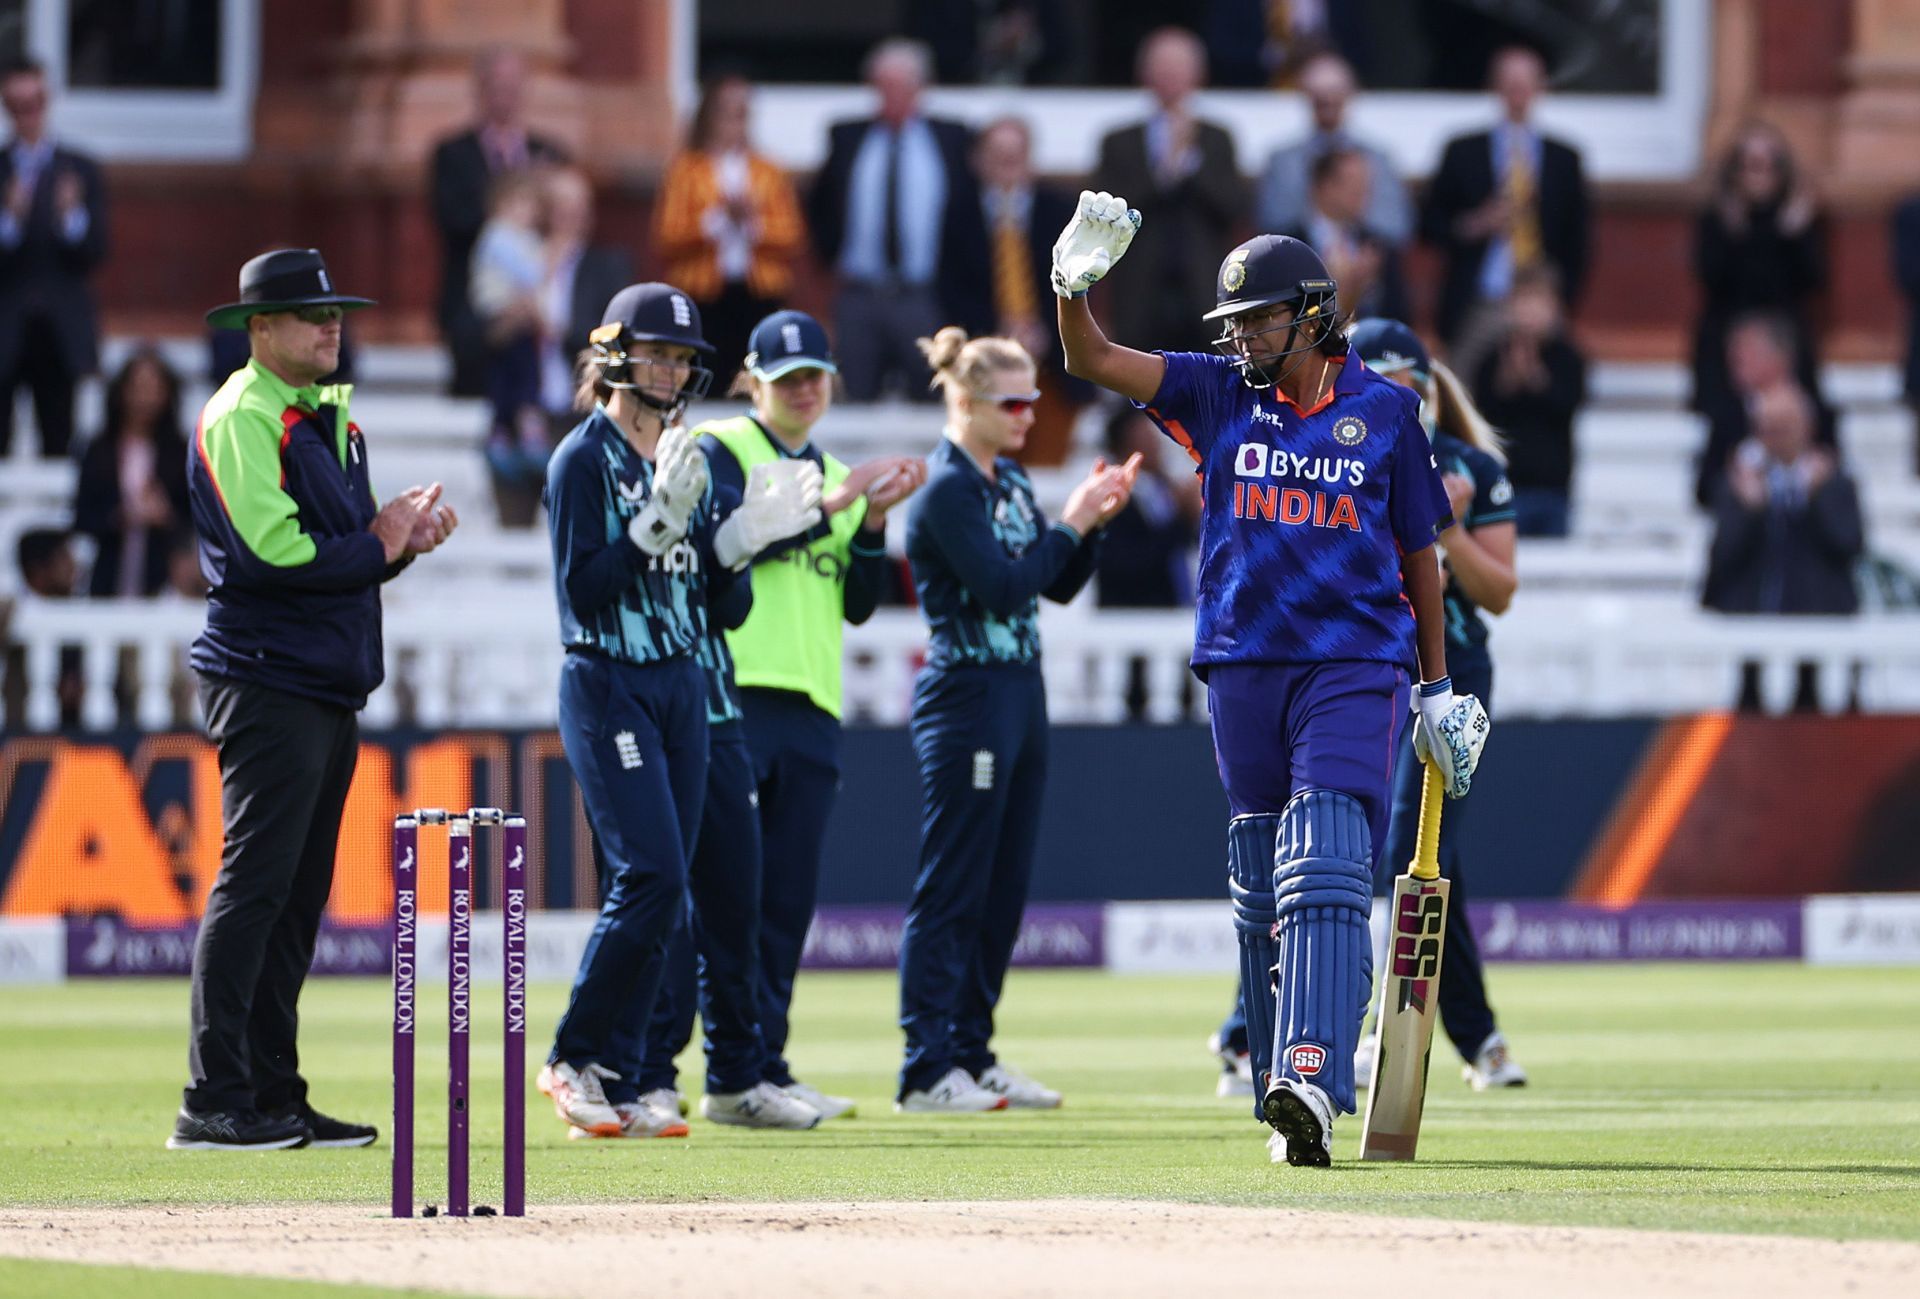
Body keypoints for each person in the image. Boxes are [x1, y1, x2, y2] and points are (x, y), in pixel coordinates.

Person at [1054, 195, 1487, 1165]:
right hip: (1243, 666)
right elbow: (1092, 360)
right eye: (1234, 322)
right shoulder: (1216, 394)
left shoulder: (1385, 412)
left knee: (1327, 864)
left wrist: (1434, 685)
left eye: (1260, 318)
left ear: (1314, 314)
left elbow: (1420, 552)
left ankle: (1315, 1072)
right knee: (1261, 883)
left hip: (1353, 664)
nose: (1244, 335)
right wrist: (1071, 290)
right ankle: (1282, 1099)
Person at [173, 248, 457, 1151]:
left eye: (335, 311)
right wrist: (380, 542)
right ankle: (212, 1099)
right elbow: (273, 555)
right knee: (256, 886)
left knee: (294, 899)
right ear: (259, 331)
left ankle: (270, 1095)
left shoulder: (332, 418)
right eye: (311, 314)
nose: (332, 324)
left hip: (320, 676)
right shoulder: (242, 415)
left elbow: (345, 554)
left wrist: (402, 541)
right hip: (266, 673)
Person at [533, 282, 822, 1140]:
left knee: (675, 891)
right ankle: (574, 1056)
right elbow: (581, 594)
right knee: (651, 872)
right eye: (657, 353)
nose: (671, 370)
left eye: (683, 358)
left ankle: (620, 1074)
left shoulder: (683, 450)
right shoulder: (582, 460)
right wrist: (653, 527)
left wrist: (735, 545)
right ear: (616, 355)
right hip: (609, 678)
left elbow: (719, 608)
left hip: (684, 682)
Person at [635, 312, 923, 1129]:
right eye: (787, 375)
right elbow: (722, 550)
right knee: (712, 899)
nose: (804, 388)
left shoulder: (835, 469)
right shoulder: (725, 450)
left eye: (816, 374)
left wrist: (868, 521)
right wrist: (836, 499)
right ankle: (657, 1066)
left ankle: (759, 1067)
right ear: (751, 380)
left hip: (811, 701)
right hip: (733, 694)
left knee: (783, 902)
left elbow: (860, 604)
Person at [898, 326, 1137, 1113]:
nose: (1030, 415)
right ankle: (927, 1066)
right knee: (956, 882)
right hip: (968, 692)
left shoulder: (1003, 483)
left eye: (1033, 399)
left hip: (1018, 687)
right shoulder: (945, 491)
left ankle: (972, 1050)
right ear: (964, 402)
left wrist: (1090, 524)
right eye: (1013, 401)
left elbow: (1054, 585)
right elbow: (1004, 588)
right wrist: (1069, 523)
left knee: (1003, 885)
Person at [1349, 318, 1525, 1091]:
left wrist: (1445, 526)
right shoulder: (1337, 451)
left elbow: (1499, 591)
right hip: (1365, 667)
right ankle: (1475, 1038)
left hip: (1454, 672)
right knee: (1379, 847)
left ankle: (1387, 1031)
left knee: (1411, 851)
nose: (1396, 396)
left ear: (1425, 388)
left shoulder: (1469, 467)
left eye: (1407, 384)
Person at [807, 39, 993, 401]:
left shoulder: (951, 138)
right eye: (882, 86)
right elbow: (822, 206)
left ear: (921, 87)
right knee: (853, 395)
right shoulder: (847, 136)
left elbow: (970, 215)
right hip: (860, 294)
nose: (890, 95)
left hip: (924, 294)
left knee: (936, 393)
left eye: (900, 86)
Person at [1421, 45, 1588, 361]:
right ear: (1495, 87)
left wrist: (1561, 301)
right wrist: (1476, 224)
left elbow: (1577, 240)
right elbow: (1430, 225)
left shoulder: (1563, 159)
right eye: (1510, 84)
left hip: (1542, 302)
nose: (1518, 93)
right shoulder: (1463, 151)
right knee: (1464, 395)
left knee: (1543, 392)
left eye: (1525, 84)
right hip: (1479, 301)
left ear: (1541, 88)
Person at [1095, 28, 1243, 354]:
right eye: (1162, 68)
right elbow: (1110, 214)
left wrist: (1190, 165)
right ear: (1144, 74)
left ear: (1197, 75)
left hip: (1202, 289)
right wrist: (1164, 170)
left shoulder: (1217, 139)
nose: (1170, 77)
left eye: (1179, 68)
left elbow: (1231, 208)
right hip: (1139, 291)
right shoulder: (1118, 141)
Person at [430, 48, 566, 398]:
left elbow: (567, 219)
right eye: (496, 86)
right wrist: (510, 206)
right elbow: (451, 219)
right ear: (479, 90)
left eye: (513, 86)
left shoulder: (550, 152)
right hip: (474, 305)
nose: (505, 95)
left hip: (539, 307)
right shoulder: (451, 153)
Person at [653, 74, 807, 381]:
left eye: (742, 111)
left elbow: (791, 234)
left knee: (757, 373)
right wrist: (717, 219)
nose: (735, 120)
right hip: (703, 291)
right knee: (707, 374)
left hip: (759, 290)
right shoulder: (687, 170)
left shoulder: (768, 171)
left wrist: (752, 221)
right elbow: (667, 235)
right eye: (727, 110)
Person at [0, 57, 108, 459]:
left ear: (48, 102)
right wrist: (9, 219)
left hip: (59, 333)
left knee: (59, 440)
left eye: (36, 102)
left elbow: (95, 251)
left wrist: (71, 217)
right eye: (18, 106)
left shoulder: (80, 169)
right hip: (6, 330)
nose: (29, 115)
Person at [971, 115, 1089, 463]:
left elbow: (1079, 281)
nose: (1008, 165)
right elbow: (954, 289)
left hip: (1052, 355)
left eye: (1015, 156)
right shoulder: (961, 210)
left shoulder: (1060, 212)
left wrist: (1045, 332)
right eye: (998, 156)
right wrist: (996, 333)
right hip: (986, 353)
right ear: (980, 161)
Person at [1692, 123, 1824, 420]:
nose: (1761, 176)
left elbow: (1811, 280)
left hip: (1786, 339)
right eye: (1752, 166)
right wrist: (1740, 235)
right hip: (1725, 342)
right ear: (1735, 171)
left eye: (1771, 166)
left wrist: (1792, 235)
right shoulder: (1717, 218)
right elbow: (1712, 277)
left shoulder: (1799, 220)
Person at [1703, 384, 1863, 618]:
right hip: (1748, 620)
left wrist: (1817, 498)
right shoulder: (1737, 484)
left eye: (1783, 429)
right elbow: (1721, 558)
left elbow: (1850, 547)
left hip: (1819, 622)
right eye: (1767, 429)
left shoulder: (1834, 483)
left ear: (1807, 428)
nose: (1774, 439)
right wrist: (1751, 510)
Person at [1469, 265, 1587, 537]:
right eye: (1524, 301)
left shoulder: (1568, 359)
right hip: (1506, 488)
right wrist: (1507, 383)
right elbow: (1483, 413)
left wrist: (1535, 378)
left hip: (1553, 487)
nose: (1531, 312)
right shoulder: (1491, 359)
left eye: (1539, 302)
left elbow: (1568, 404)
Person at [1255, 52, 1412, 246]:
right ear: (1306, 96)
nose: (1328, 102)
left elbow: (1397, 227)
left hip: (1366, 263)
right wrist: (1322, 220)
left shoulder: (1378, 158)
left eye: (1335, 94)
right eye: (1320, 97)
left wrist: (1350, 216)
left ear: (1350, 95)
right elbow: (1270, 224)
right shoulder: (1282, 160)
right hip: (1299, 262)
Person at [74, 347, 192, 597]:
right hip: (108, 577)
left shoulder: (181, 452)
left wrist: (165, 515)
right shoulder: (99, 450)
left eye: (154, 388)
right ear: (122, 391)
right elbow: (82, 516)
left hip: (165, 583)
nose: (145, 398)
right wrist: (119, 517)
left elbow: (197, 519)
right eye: (138, 387)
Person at [1693, 311, 1839, 511]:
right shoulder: (1727, 417)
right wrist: (1737, 484)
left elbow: (1836, 473)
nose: (1735, 363)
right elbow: (1704, 490)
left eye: (1747, 354)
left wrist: (1820, 479)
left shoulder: (1818, 412)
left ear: (1780, 358)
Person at [1284, 148, 1407, 323]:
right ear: (1324, 186)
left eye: (1366, 184)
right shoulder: (1286, 247)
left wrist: (1367, 291)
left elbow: (1396, 316)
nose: (1364, 193)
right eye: (1354, 184)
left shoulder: (1378, 247)